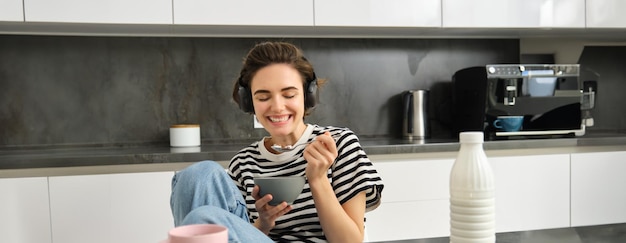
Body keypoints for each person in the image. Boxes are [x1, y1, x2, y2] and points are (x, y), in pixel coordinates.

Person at [170, 41, 384, 243]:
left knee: (205, 218)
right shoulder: (243, 163)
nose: (277, 107)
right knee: (198, 175)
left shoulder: (338, 145)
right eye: (263, 98)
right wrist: (262, 224)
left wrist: (318, 179)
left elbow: (350, 241)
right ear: (249, 102)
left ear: (308, 96)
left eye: (289, 95)